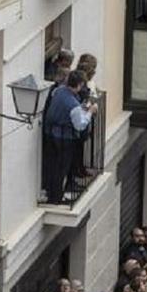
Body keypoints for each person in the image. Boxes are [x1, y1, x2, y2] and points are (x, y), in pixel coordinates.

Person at [42, 70, 96, 204]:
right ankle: (56, 198)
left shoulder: (58, 91)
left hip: (50, 134)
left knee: (52, 165)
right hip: (65, 139)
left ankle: (50, 193)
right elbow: (80, 125)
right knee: (62, 168)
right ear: (79, 85)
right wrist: (90, 112)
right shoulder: (73, 105)